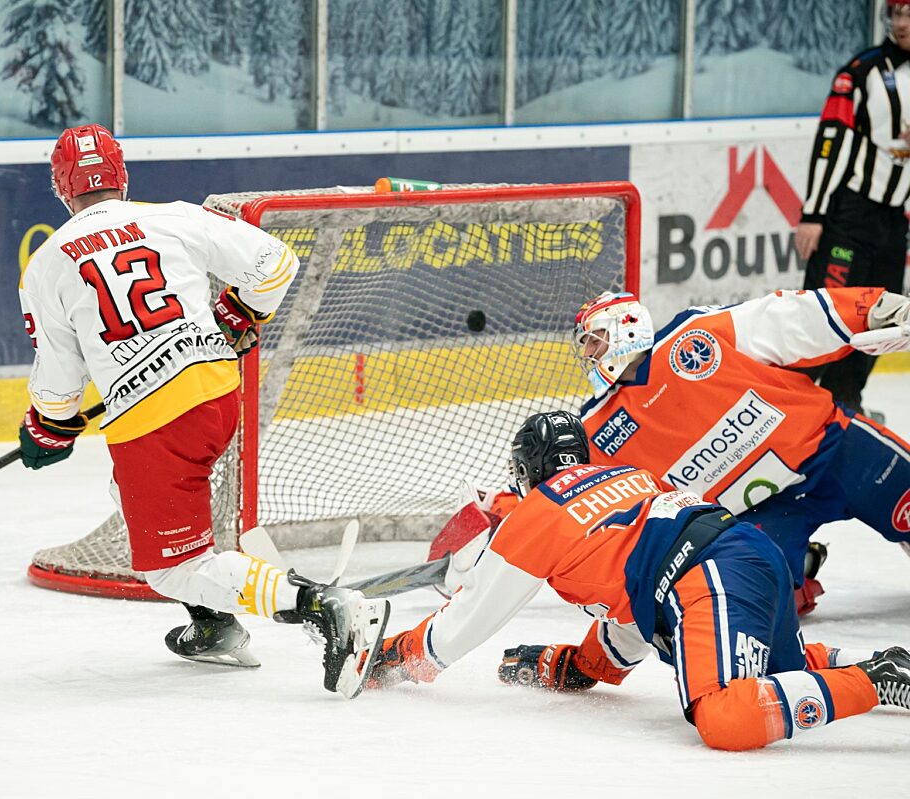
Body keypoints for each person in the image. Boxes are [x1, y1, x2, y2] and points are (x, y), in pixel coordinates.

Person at [16, 123, 389, 698]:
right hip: (217, 395)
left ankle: (323, 606)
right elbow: (275, 263)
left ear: (62, 191)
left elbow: (60, 382)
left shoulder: (47, 263)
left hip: (155, 424)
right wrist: (238, 314)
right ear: (122, 177)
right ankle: (212, 624)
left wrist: (46, 427)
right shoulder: (174, 216)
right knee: (132, 495)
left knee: (171, 568)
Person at [361, 411, 910, 751]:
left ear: (528, 471)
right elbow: (633, 614)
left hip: (707, 577)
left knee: (723, 715)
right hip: (751, 555)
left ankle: (876, 676)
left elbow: (464, 624)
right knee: (779, 677)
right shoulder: (630, 477)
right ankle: (874, 665)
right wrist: (578, 665)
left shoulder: (537, 514)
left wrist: (391, 658)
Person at [573, 288, 910, 614]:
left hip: (833, 452)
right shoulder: (596, 429)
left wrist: (873, 309)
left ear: (625, 325)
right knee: (761, 605)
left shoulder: (693, 336)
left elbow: (786, 319)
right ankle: (798, 564)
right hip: (758, 512)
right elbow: (556, 492)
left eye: (593, 338)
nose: (588, 353)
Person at [795, 0, 910, 415]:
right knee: (822, 314)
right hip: (849, 217)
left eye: (909, 14)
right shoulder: (861, 72)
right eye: (894, 14)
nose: (900, 24)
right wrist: (814, 214)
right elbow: (830, 143)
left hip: (894, 222)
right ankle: (791, 404)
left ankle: (844, 404)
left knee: (885, 319)